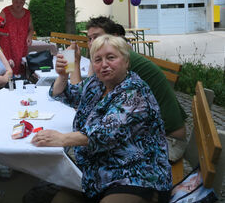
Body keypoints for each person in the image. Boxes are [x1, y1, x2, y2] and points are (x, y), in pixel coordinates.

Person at [32, 35, 172, 203]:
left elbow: (104, 134)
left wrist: (62, 138)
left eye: (111, 58)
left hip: (138, 175)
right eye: (97, 60)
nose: (104, 64)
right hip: (99, 170)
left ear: (126, 61)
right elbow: (65, 94)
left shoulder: (134, 92)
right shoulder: (96, 84)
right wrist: (63, 76)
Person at [70, 16, 187, 163]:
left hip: (168, 141)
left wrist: (75, 63)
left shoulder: (119, 62)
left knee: (100, 158)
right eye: (90, 38)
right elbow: (87, 91)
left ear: (115, 37)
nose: (93, 42)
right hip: (151, 133)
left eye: (98, 37)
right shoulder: (116, 57)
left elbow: (82, 101)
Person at [0, 0, 34, 75]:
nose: (18, 4)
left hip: (21, 44)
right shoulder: (5, 11)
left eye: (21, 2)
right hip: (7, 43)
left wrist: (29, 37)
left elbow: (31, 29)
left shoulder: (27, 13)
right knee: (8, 65)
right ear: (12, 1)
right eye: (16, 2)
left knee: (20, 65)